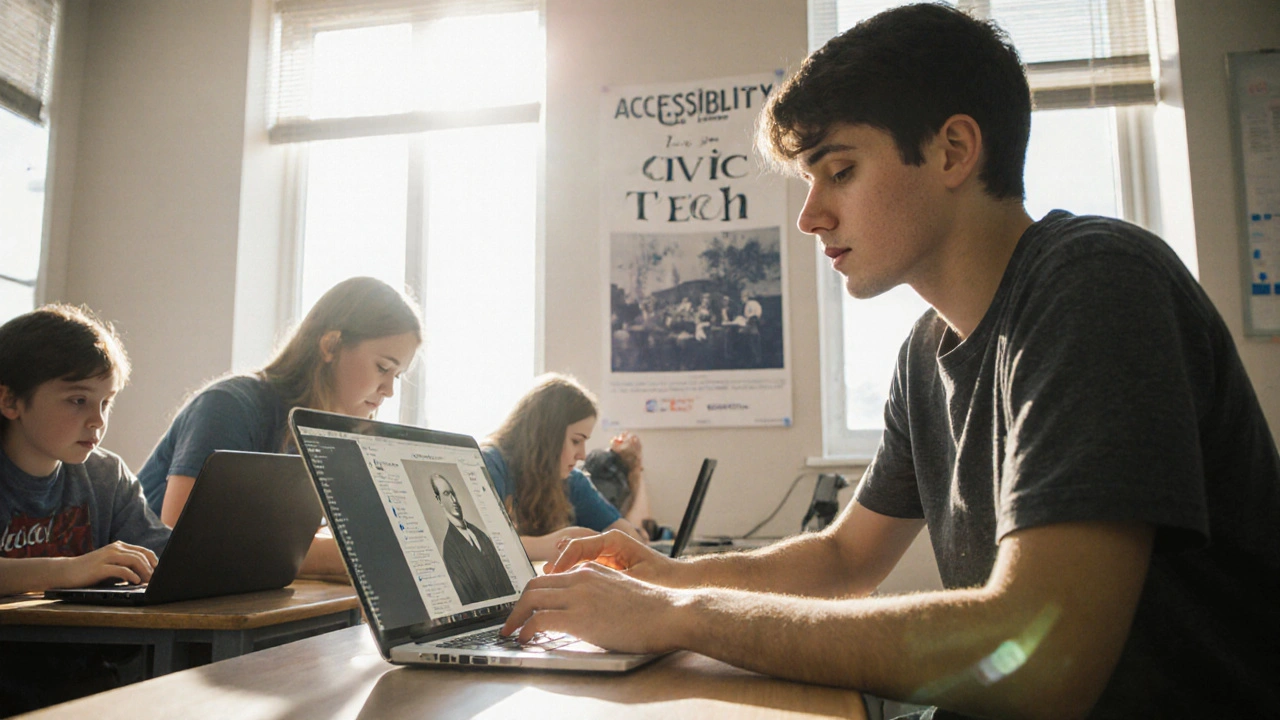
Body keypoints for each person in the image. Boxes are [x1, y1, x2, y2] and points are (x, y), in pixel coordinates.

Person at [502, 5, 1280, 719]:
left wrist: (679, 615)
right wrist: (664, 577)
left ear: (953, 150)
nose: (810, 216)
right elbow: (844, 559)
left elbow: (1045, 662)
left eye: (838, 171)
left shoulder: (1096, 283)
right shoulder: (925, 352)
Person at [137, 276, 422, 579]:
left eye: (398, 375)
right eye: (383, 368)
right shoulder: (229, 405)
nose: (389, 390)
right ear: (331, 345)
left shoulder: (325, 436)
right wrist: (363, 556)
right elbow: (182, 540)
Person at [0, 305, 170, 713]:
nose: (97, 421)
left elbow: (168, 560)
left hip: (86, 688)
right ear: (10, 401)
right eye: (78, 400)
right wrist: (70, 570)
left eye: (106, 402)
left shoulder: (106, 475)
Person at [482, 373, 649, 561]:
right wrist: (557, 544)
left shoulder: (572, 481)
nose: (583, 455)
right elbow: (483, 545)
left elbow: (625, 534)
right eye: (576, 441)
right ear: (546, 435)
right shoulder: (490, 465)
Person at [429, 474, 515, 604]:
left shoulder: (480, 534)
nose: (453, 499)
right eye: (446, 494)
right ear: (439, 499)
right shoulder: (450, 550)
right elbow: (468, 599)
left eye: (453, 493)